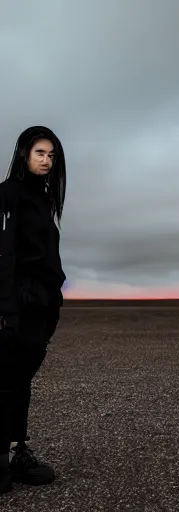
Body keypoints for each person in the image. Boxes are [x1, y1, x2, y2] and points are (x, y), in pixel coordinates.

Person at [0, 126, 66, 493]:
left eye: (51, 155)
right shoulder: (7, 195)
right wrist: (6, 308)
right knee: (5, 382)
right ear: (23, 153)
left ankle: (17, 452)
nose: (46, 160)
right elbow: (3, 254)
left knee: (20, 381)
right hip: (17, 302)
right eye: (40, 152)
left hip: (41, 304)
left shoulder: (43, 200)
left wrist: (54, 296)